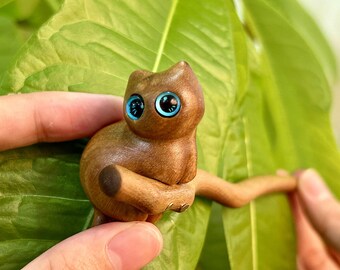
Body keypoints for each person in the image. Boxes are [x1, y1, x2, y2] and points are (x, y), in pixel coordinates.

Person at [1, 92, 339, 269]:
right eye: (137, 105)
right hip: (121, 194)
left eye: (166, 104)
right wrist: (158, 197)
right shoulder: (139, 145)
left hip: (168, 190)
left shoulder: (181, 143)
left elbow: (188, 173)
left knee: (235, 195)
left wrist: (176, 192)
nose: (149, 115)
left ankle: (286, 184)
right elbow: (114, 179)